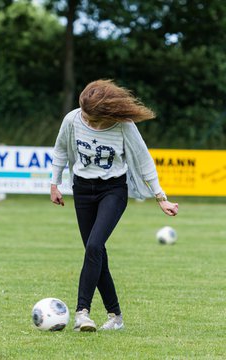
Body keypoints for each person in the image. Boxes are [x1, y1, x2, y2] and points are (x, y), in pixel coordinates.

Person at [50, 79, 178, 332]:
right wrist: (55, 184)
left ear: (108, 114)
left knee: (95, 246)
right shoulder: (72, 120)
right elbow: (61, 151)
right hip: (83, 190)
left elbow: (143, 161)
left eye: (93, 118)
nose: (88, 121)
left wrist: (161, 197)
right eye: (86, 116)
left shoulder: (123, 126)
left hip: (113, 190)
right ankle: (115, 316)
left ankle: (82, 313)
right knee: (96, 254)